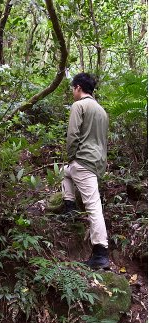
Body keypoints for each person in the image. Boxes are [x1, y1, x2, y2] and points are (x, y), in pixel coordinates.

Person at [60, 73, 109, 269]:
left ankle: (100, 252)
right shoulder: (102, 111)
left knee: (93, 205)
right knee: (64, 172)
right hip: (97, 162)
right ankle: (69, 206)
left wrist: (72, 156)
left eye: (73, 88)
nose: (73, 92)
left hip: (82, 161)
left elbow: (72, 135)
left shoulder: (79, 106)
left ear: (78, 87)